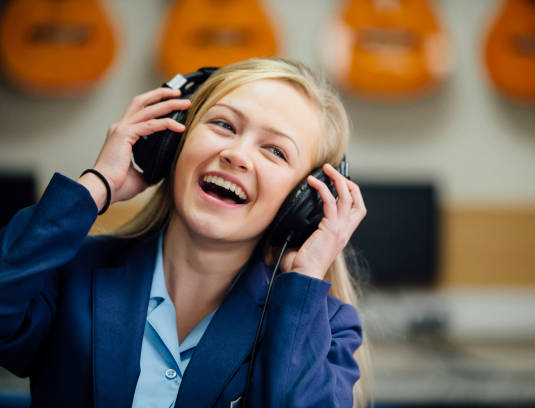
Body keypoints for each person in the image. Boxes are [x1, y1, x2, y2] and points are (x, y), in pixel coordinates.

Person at [0, 58, 369, 407]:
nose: (237, 154)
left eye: (275, 150)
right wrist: (97, 185)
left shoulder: (326, 328)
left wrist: (303, 279)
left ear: (305, 201)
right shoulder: (73, 272)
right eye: (224, 125)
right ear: (171, 140)